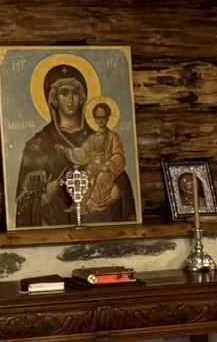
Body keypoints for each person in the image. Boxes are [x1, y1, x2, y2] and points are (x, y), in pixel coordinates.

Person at [14, 63, 135, 225]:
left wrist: (119, 190)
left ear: (82, 97)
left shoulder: (100, 137)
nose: (71, 100)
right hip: (55, 230)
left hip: (102, 224)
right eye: (64, 93)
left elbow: (117, 169)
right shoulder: (38, 146)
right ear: (53, 99)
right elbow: (25, 205)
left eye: (75, 93)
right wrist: (47, 195)